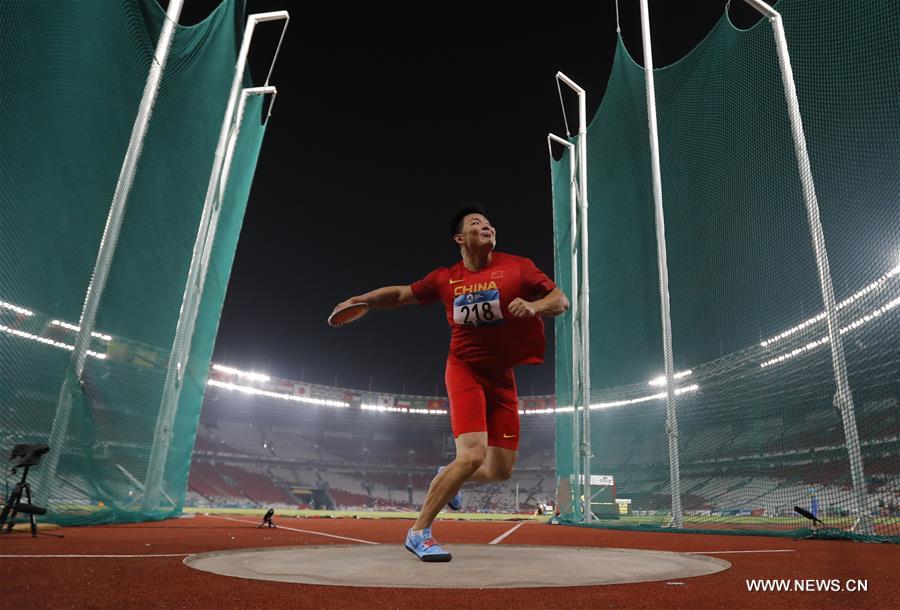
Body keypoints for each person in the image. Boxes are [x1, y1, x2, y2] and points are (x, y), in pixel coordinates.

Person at [330, 205, 568, 562]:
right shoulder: (445, 278)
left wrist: (536, 308)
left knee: (500, 471)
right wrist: (361, 299)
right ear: (460, 238)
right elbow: (401, 294)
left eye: (489, 223)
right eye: (477, 223)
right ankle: (418, 532)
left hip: (502, 377)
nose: (487, 226)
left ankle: (447, 475)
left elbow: (559, 299)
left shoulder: (519, 266)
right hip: (465, 370)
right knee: (472, 455)